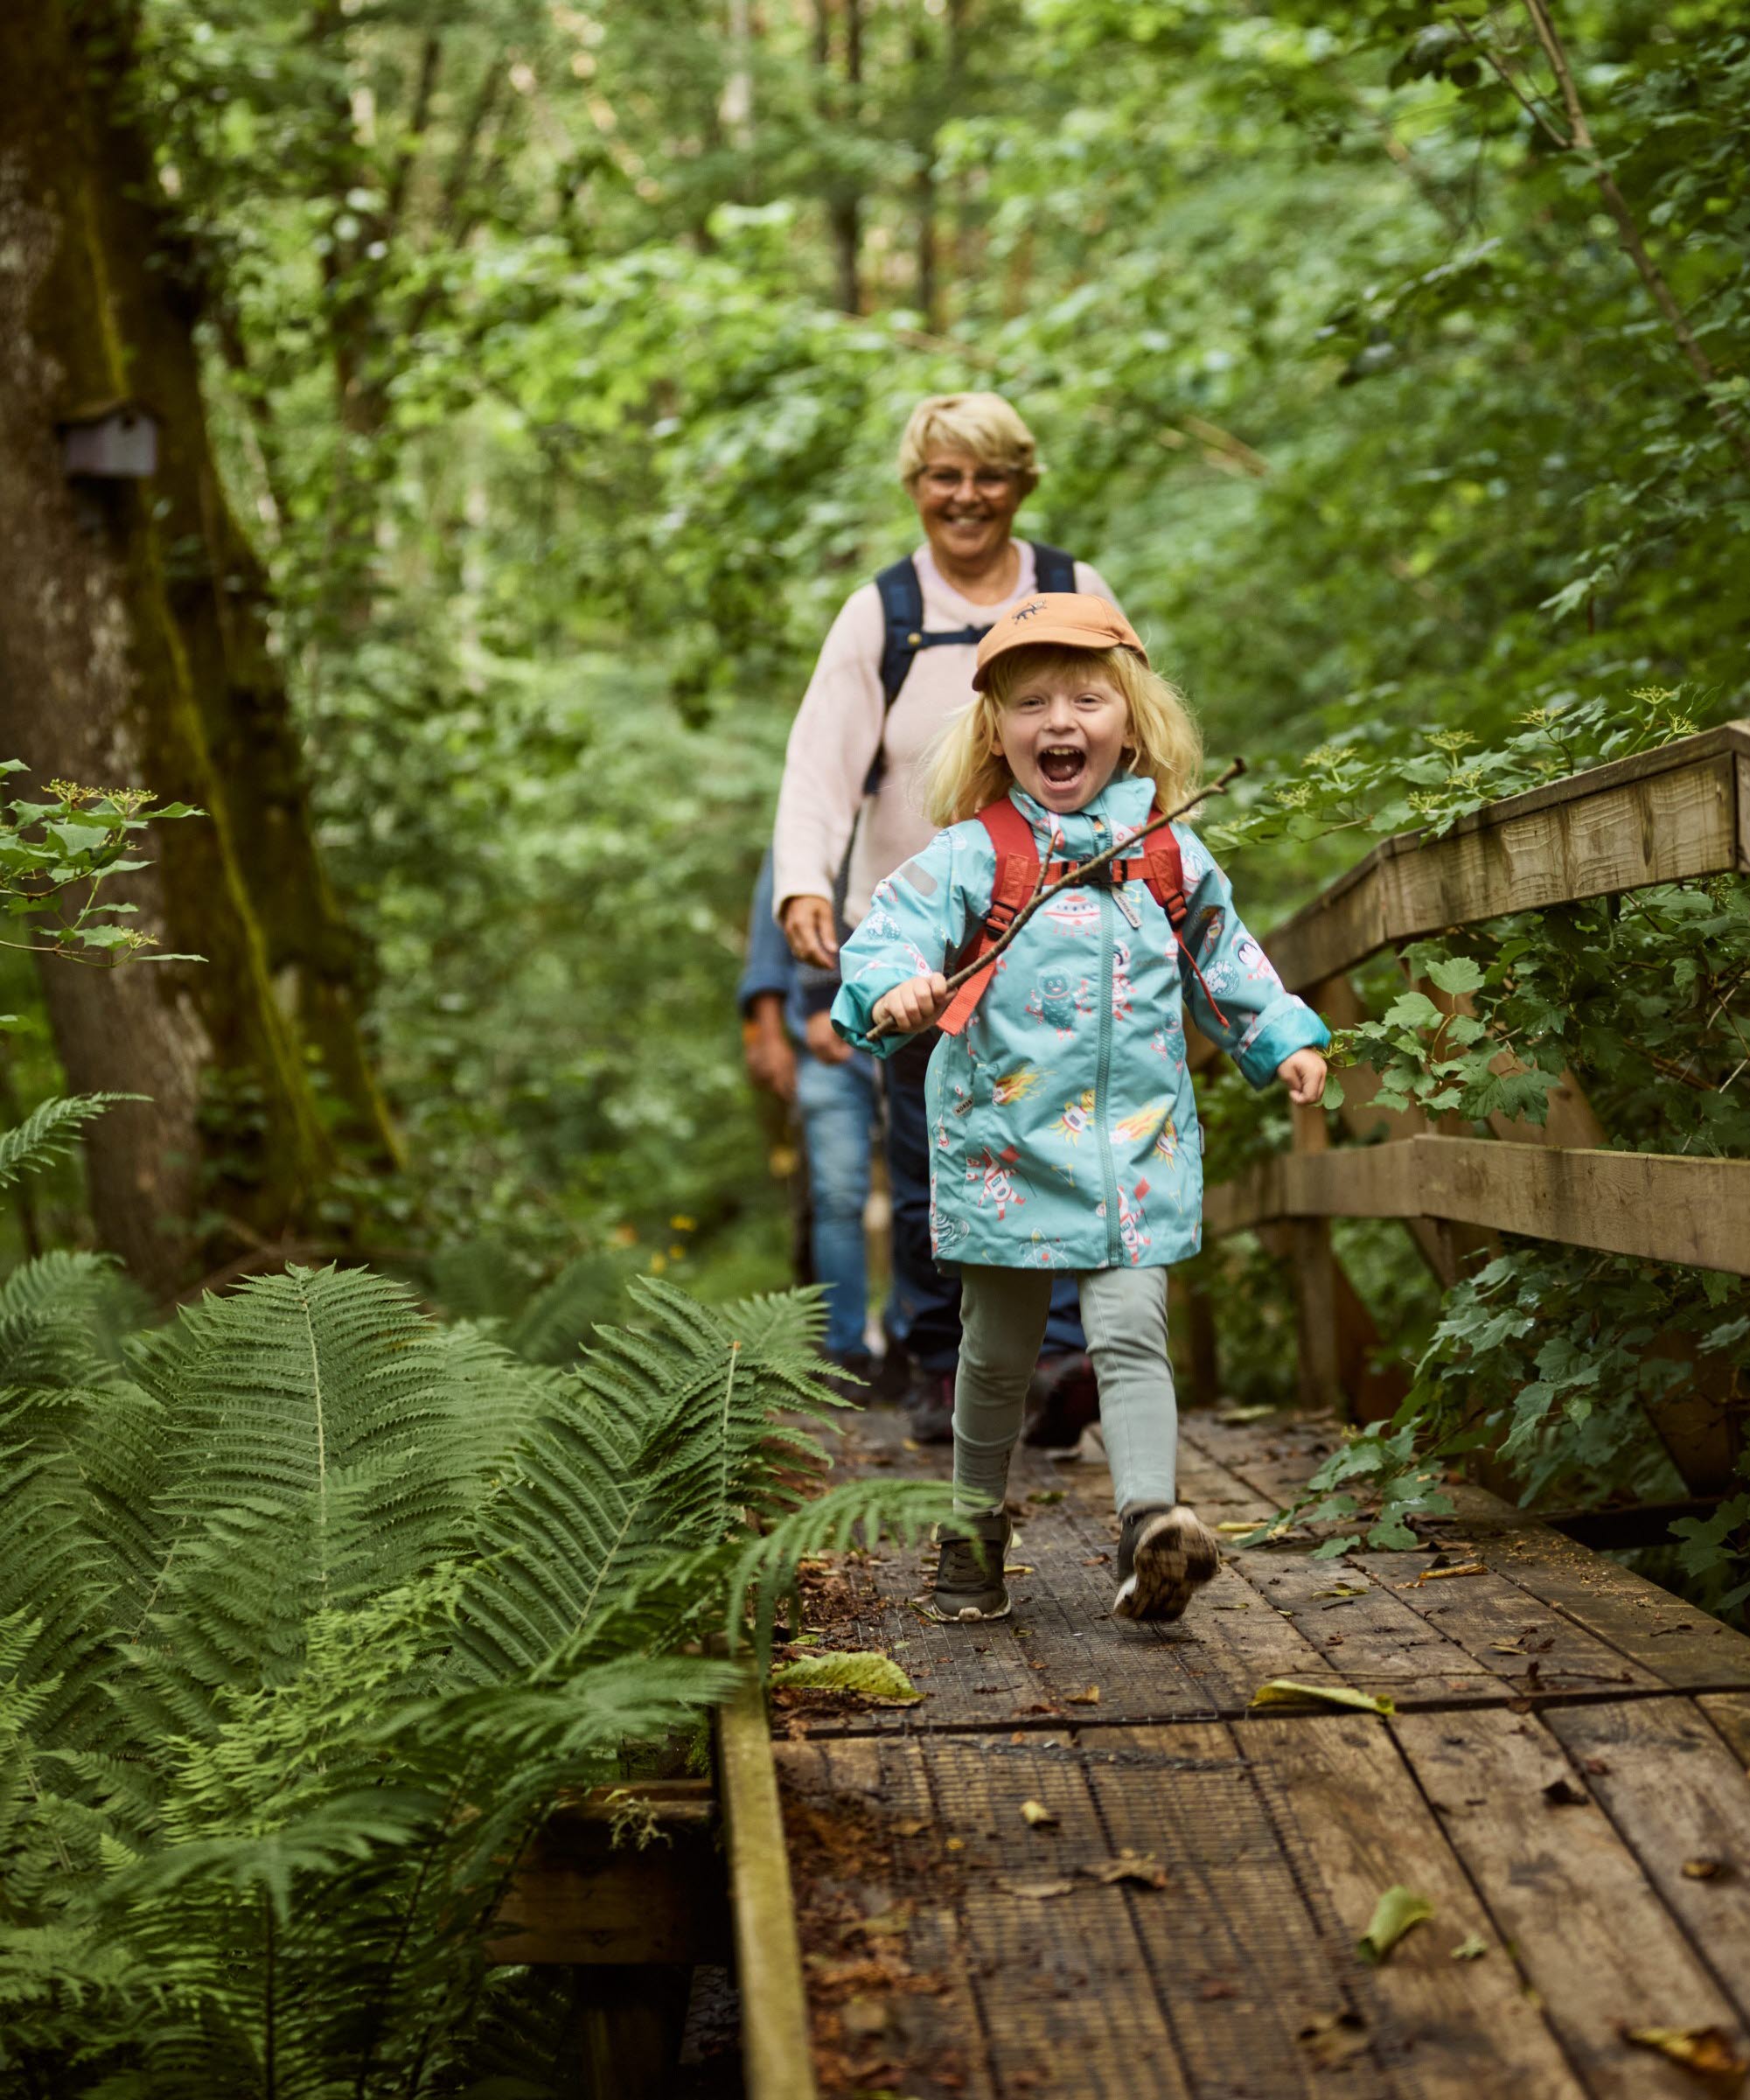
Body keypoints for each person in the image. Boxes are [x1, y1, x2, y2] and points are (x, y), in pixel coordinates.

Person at [830, 594, 1329, 1625]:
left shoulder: (1167, 856)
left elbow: (1227, 963)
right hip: (1004, 1148)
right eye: (1031, 703)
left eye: (1087, 698)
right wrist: (894, 988)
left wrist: (1283, 1037)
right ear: (997, 732)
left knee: (1131, 1330)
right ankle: (972, 1529)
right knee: (997, 1353)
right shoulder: (976, 855)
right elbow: (885, 936)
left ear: (1131, 723)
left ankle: (1152, 1523)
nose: (1060, 720)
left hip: (1132, 1149)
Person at [773, 392, 1119, 1444]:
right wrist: (805, 881)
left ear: (1023, 483)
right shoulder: (883, 613)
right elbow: (820, 761)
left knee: (1057, 1135)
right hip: (919, 935)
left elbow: (1129, 733)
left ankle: (1055, 1362)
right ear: (916, 489)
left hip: (1055, 923)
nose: (966, 498)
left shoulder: (1074, 590)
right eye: (943, 476)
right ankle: (937, 1362)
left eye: (989, 475)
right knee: (931, 1153)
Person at [738, 848, 880, 1385]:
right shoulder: (800, 828)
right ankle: (844, 1351)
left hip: (919, 1030)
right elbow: (767, 950)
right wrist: (768, 1035)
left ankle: (917, 1341)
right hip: (822, 1047)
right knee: (836, 1195)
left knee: (927, 1190)